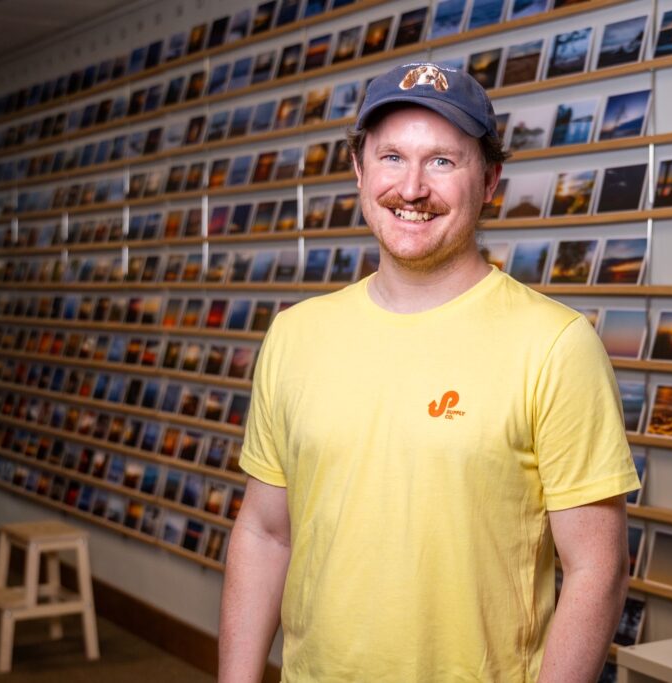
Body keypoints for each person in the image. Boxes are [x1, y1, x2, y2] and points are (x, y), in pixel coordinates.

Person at [219, 62, 639, 682]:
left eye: (443, 161)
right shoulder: (295, 335)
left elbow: (597, 571)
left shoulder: (555, 345)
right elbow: (264, 533)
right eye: (391, 158)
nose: (411, 188)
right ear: (360, 171)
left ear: (491, 179)